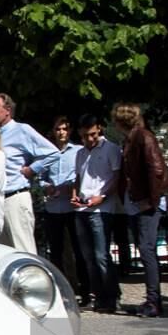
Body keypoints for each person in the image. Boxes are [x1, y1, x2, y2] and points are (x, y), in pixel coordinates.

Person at [114, 103, 168, 318]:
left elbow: (156, 169)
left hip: (146, 203)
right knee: (145, 249)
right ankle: (153, 300)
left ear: (120, 121)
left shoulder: (143, 137)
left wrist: (151, 200)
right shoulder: (131, 139)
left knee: (147, 251)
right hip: (136, 202)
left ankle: (153, 301)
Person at [0, 93, 60, 254]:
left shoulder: (21, 130)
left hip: (15, 198)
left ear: (7, 110)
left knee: (23, 250)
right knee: (1, 253)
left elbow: (52, 152)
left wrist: (32, 169)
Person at [72, 114, 121, 313]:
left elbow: (116, 177)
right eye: (85, 136)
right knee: (88, 257)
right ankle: (99, 296)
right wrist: (75, 195)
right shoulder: (80, 153)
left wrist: (103, 196)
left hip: (102, 208)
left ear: (99, 129)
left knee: (101, 255)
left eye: (92, 134)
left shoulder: (111, 149)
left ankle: (112, 296)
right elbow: (78, 177)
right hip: (82, 208)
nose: (90, 139)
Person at [39, 117, 90, 303]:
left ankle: (85, 290)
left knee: (79, 250)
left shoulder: (78, 151)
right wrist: (47, 187)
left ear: (70, 131)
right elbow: (41, 177)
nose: (61, 132)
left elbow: (82, 175)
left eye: (64, 129)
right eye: (58, 129)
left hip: (72, 207)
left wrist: (72, 188)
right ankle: (60, 291)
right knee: (56, 251)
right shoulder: (47, 153)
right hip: (53, 208)